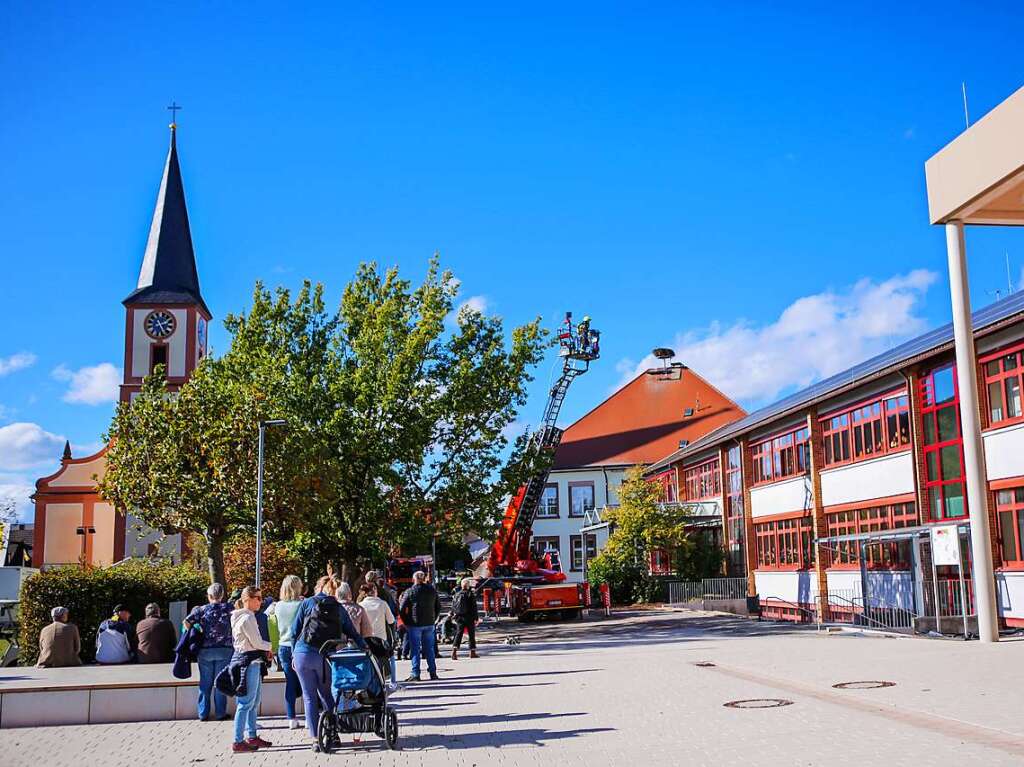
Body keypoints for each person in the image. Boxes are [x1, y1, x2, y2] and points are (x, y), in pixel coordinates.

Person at [290, 575, 367, 742]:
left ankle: (315, 740)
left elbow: (294, 632)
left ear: (318, 587)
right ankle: (333, 733)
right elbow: (353, 633)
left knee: (309, 697)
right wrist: (365, 647)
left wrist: (293, 654)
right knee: (326, 695)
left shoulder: (307, 603)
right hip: (324, 655)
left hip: (303, 653)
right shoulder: (339, 608)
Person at [229, 586, 274, 753]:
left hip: (253, 661)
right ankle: (238, 741)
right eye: (258, 598)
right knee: (246, 702)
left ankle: (252, 736)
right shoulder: (246, 618)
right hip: (248, 662)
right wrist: (270, 647)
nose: (260, 601)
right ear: (247, 599)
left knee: (253, 702)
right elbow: (256, 642)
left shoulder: (248, 616)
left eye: (261, 598)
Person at [185, 583, 234, 721]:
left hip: (205, 651)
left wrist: (196, 630)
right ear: (222, 595)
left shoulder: (201, 610)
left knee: (205, 683)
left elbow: (186, 622)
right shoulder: (229, 608)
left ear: (209, 596)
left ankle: (203, 713)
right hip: (225, 650)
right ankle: (220, 713)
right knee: (220, 682)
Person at [266, 575, 305, 730]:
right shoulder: (302, 604)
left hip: (283, 646)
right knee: (305, 681)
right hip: (300, 646)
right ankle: (309, 716)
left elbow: (268, 617)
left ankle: (291, 718)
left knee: (290, 681)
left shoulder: (278, 606)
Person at [397, 570, 441, 682]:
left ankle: (415, 673)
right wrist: (434, 618)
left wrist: (407, 622)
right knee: (429, 648)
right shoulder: (432, 590)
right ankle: (433, 672)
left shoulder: (410, 591)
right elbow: (438, 606)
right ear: (424, 578)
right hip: (429, 623)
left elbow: (401, 609)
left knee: (415, 649)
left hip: (414, 623)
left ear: (414, 579)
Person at [357, 583, 397, 686]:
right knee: (386, 660)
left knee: (369, 662)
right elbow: (391, 621)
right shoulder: (382, 604)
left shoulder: (361, 605)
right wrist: (393, 638)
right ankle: (391, 681)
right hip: (380, 638)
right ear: (375, 591)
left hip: (365, 639)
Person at [450, 578, 480, 660]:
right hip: (469, 617)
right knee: (471, 635)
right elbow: (474, 607)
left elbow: (453, 606)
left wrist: (453, 615)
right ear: (468, 585)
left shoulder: (456, 594)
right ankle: (472, 652)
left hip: (459, 617)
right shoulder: (470, 594)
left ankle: (454, 652)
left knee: (458, 634)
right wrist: (476, 618)